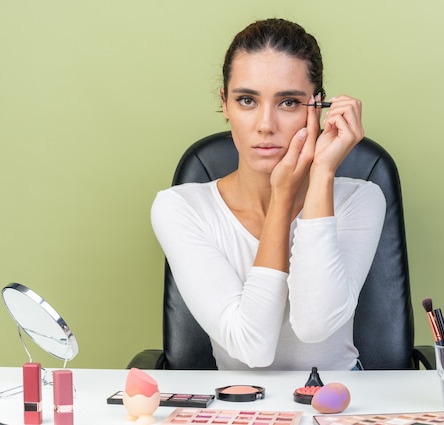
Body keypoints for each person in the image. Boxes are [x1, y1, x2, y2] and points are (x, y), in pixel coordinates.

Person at [151, 18, 386, 370]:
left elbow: (314, 325)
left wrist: (322, 174)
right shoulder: (180, 208)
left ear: (318, 107)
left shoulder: (362, 199)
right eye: (247, 100)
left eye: (289, 102)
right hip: (237, 406)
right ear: (225, 104)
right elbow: (252, 349)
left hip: (340, 404)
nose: (265, 125)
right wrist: (282, 197)